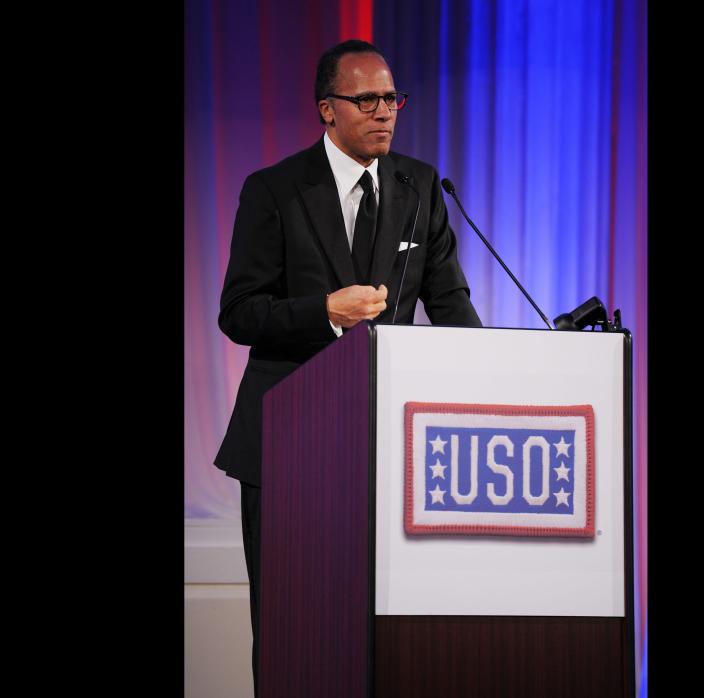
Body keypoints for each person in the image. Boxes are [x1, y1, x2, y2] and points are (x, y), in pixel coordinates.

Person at [213, 38, 481, 693]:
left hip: (387, 453)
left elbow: (451, 305)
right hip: (286, 447)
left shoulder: (421, 186)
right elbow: (240, 313)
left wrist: (491, 369)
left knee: (375, 635)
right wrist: (324, 311)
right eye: (366, 100)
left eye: (391, 98)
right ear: (327, 110)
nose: (384, 112)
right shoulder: (274, 191)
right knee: (287, 630)